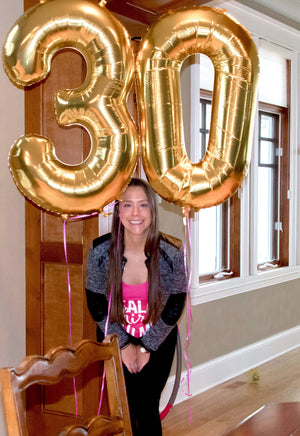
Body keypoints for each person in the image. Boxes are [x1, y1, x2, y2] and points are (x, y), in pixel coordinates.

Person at [85, 178, 187, 435]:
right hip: (114, 337)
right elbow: (96, 303)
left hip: (158, 339)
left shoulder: (172, 254)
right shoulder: (99, 252)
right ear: (118, 211)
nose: (135, 213)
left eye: (143, 205)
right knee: (125, 410)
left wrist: (146, 346)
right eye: (128, 205)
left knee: (147, 407)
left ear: (153, 210)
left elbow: (175, 305)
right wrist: (124, 346)